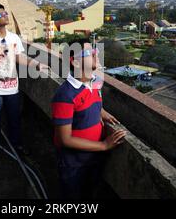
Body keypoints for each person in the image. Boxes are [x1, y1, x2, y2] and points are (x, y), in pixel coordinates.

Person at [51, 38, 127, 199]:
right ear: (76, 63)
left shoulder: (93, 83)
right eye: (90, 53)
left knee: (90, 194)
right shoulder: (65, 95)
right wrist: (104, 145)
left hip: (93, 158)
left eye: (95, 51)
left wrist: (101, 112)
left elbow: (91, 102)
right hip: (74, 164)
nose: (95, 54)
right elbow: (65, 139)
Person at [0, 4, 47, 165]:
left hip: (12, 88)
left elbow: (19, 57)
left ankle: (16, 145)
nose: (6, 15)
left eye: (5, 12)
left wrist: (36, 64)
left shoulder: (14, 38)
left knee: (14, 119)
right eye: (1, 14)